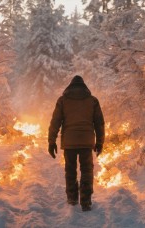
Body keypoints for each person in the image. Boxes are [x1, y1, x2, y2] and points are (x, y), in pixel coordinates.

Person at [48, 75, 105, 212]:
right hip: (86, 142)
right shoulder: (93, 101)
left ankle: (72, 198)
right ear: (84, 87)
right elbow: (99, 123)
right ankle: (86, 201)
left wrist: (51, 142)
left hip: (70, 143)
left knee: (70, 170)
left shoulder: (63, 101)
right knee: (87, 170)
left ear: (70, 87)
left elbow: (55, 122)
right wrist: (100, 142)